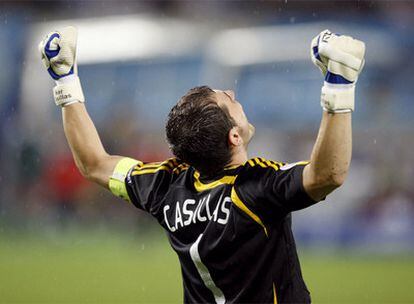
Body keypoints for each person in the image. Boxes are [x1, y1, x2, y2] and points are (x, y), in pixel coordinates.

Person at [39, 27, 365, 303]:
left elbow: (94, 164)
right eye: (228, 100)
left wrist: (65, 80)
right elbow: (328, 174)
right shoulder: (254, 186)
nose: (233, 92)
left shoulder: (166, 186)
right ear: (234, 137)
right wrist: (339, 86)